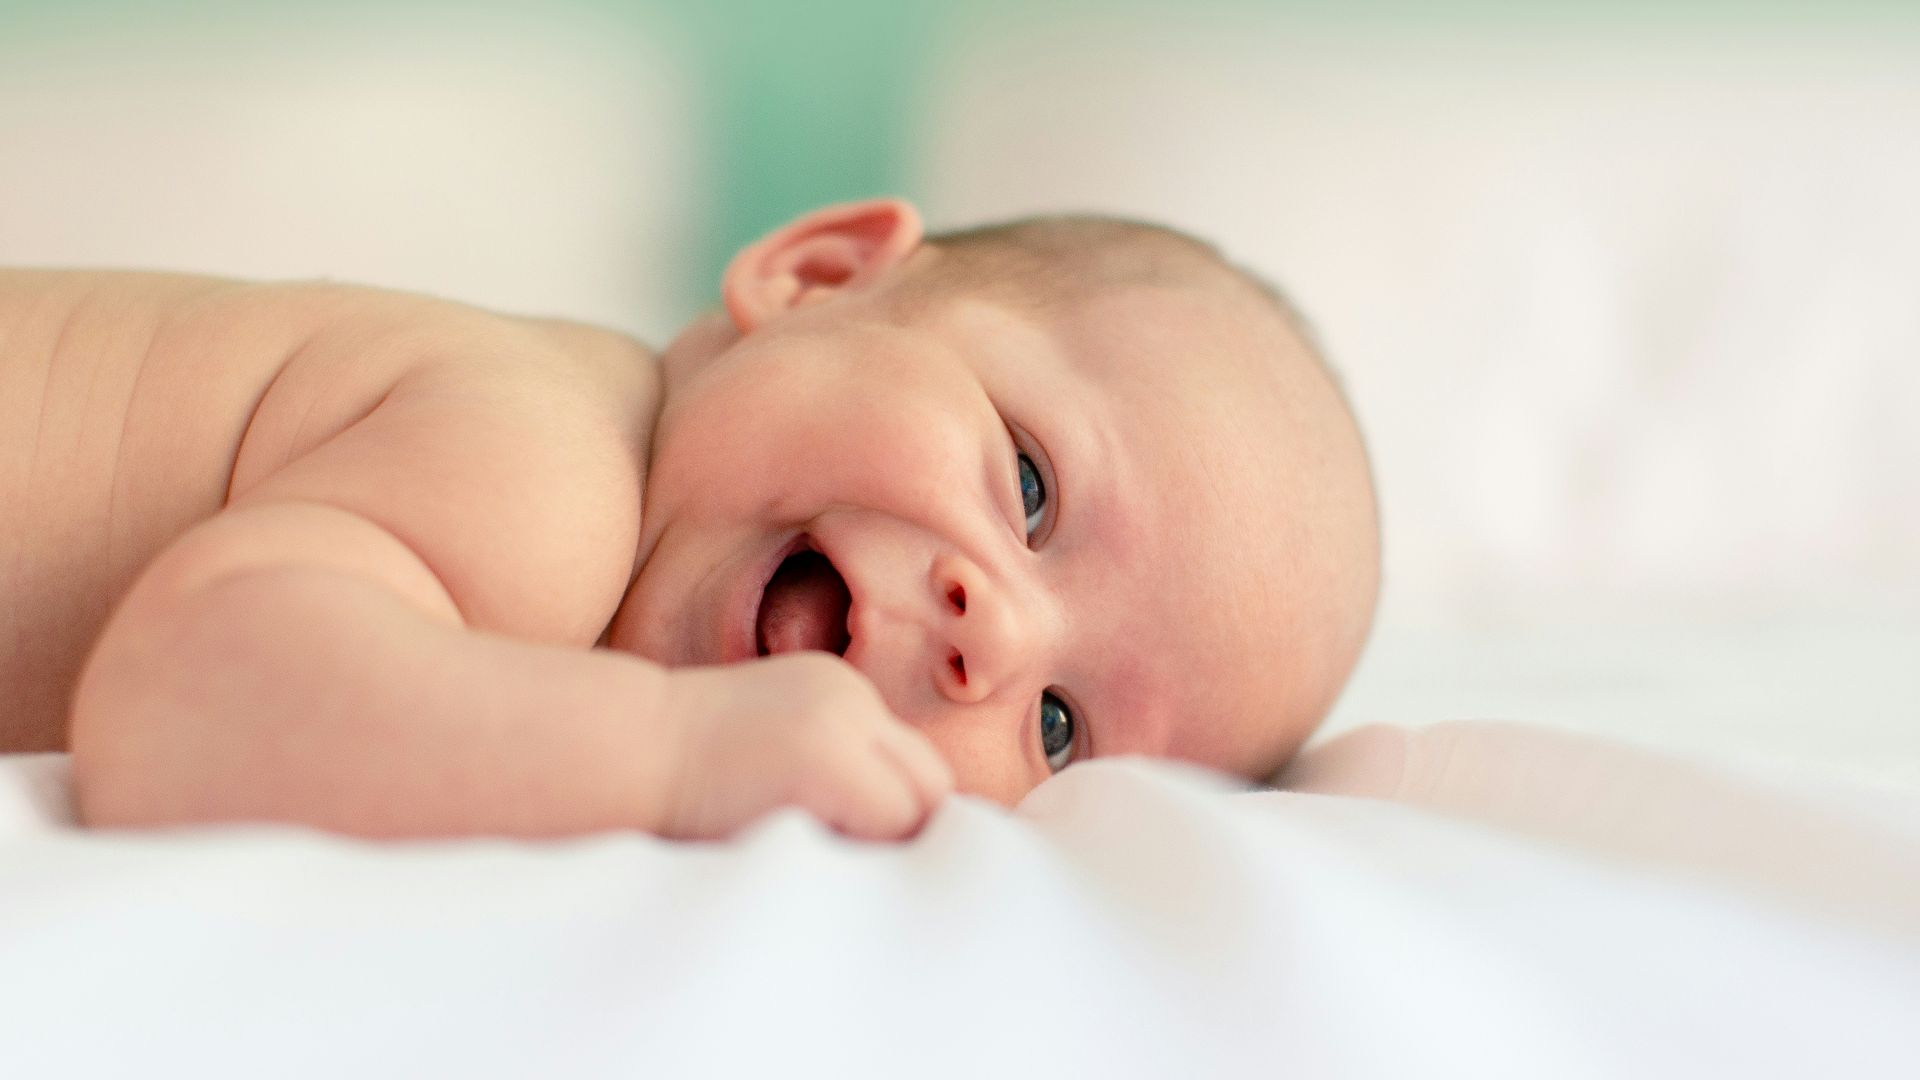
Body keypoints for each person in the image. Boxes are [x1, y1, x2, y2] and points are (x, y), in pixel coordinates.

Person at [0, 197, 1379, 841]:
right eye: (1028, 485)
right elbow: (183, 707)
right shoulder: (549, 468)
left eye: (1059, 730)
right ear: (816, 274)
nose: (992, 640)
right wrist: (666, 755)